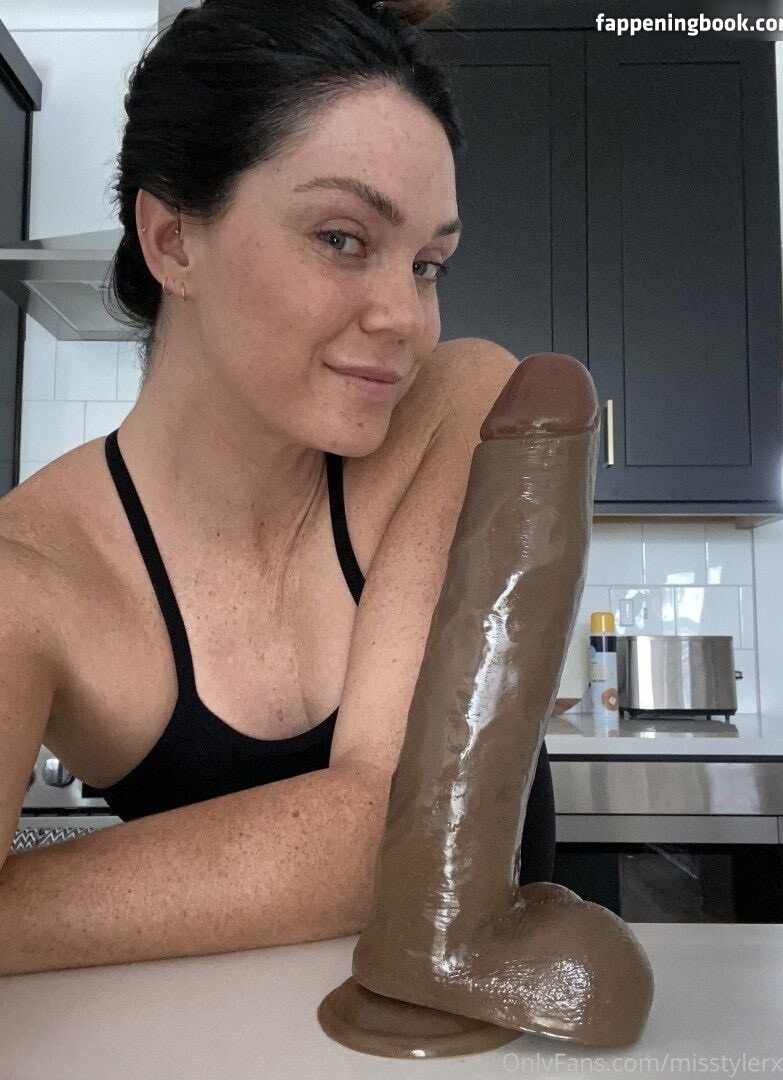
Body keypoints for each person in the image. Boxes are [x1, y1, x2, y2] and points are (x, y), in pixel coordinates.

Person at [0, 0, 555, 976]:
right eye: (342, 238)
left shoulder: (461, 404)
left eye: (428, 263)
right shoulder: (31, 577)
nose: (406, 317)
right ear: (173, 241)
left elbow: (403, 829)